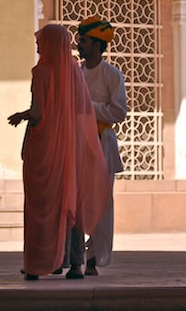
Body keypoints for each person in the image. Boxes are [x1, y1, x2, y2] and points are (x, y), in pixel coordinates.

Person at [8, 23, 110, 280]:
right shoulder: (74, 72)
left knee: (41, 206)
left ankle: (38, 263)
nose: (37, 45)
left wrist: (21, 116)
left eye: (41, 41)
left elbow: (38, 113)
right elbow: (82, 111)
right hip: (69, 146)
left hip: (44, 146)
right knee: (69, 201)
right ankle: (75, 264)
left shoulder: (41, 71)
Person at [77, 15, 127, 276]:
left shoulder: (112, 75)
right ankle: (74, 254)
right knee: (78, 198)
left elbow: (119, 112)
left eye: (84, 41)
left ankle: (95, 257)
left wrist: (89, 108)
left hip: (102, 142)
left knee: (102, 201)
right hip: (78, 144)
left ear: (97, 45)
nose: (79, 45)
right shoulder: (76, 73)